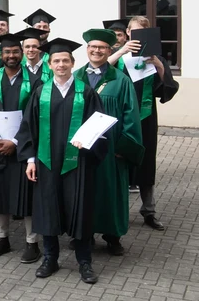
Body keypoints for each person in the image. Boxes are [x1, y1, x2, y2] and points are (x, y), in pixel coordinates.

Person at [17, 38, 107, 284]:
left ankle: (84, 262)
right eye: (56, 60)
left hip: (78, 163)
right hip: (46, 163)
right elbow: (28, 128)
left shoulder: (85, 92)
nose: (61, 64)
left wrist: (88, 142)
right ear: (50, 63)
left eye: (65, 60)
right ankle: (50, 259)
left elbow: (98, 127)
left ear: (72, 62)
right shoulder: (40, 92)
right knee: (48, 210)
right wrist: (30, 160)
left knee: (80, 211)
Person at [75, 28, 144, 255]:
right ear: (87, 49)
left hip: (111, 149)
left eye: (102, 47)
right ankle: (83, 234)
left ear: (109, 50)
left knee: (111, 192)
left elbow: (131, 115)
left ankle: (112, 237)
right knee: (84, 192)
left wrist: (124, 146)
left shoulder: (121, 80)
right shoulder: (76, 77)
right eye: (93, 47)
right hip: (81, 149)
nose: (96, 50)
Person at [108, 16, 178, 231]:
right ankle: (116, 211)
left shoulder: (154, 57)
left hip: (146, 118)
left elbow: (168, 87)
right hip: (119, 119)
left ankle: (149, 211)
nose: (137, 37)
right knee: (119, 162)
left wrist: (158, 65)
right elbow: (98, 71)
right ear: (128, 32)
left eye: (142, 33)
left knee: (146, 164)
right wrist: (121, 51)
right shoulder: (118, 56)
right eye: (134, 32)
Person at [0, 34, 43, 264]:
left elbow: (33, 116)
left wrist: (16, 141)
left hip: (23, 148)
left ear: (22, 52)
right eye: (7, 52)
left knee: (26, 197)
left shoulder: (34, 81)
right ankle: (2, 238)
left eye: (15, 51)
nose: (11, 56)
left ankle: (32, 242)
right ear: (1, 54)